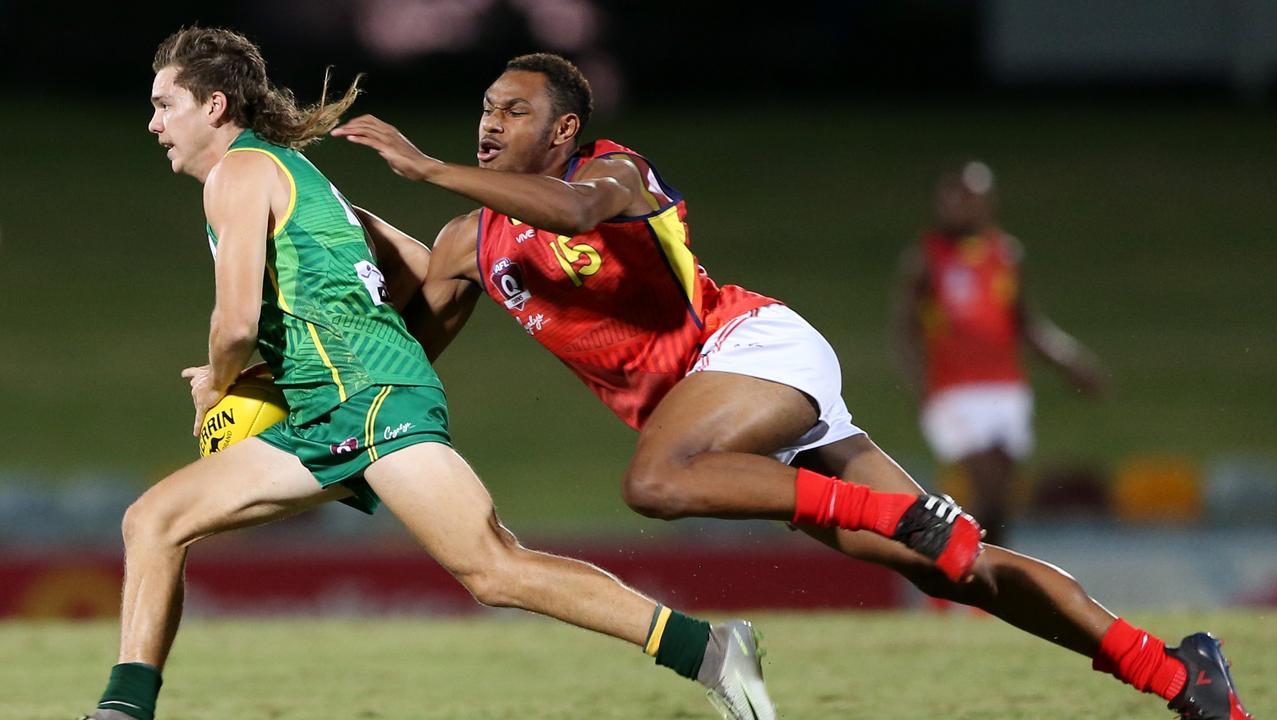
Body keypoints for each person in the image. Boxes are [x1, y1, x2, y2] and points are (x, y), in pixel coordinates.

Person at [333, 53, 1252, 720]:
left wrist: (421, 167)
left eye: (513, 110)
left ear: (563, 128)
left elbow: (575, 213)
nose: (490, 123)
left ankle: (896, 516)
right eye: (485, 108)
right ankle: (1179, 675)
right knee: (961, 568)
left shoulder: (612, 170)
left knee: (653, 483)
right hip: (726, 430)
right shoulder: (468, 245)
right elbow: (410, 350)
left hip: (755, 356)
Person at [81, 28, 775, 720]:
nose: (153, 123)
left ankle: (709, 650)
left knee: (492, 568)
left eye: (165, 104)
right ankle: (124, 711)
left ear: (215, 106)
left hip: (368, 399)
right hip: (334, 406)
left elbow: (232, 324)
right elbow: (420, 262)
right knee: (155, 520)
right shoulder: (294, 174)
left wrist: (220, 378)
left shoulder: (238, 174)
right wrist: (331, 333)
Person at [892, 161, 1108, 548]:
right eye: (953, 197)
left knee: (1001, 499)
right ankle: (961, 571)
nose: (960, 206)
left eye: (971, 198)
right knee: (984, 487)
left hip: (1006, 388)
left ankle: (988, 578)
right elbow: (906, 331)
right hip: (954, 389)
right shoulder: (926, 259)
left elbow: (1027, 324)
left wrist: (1070, 361)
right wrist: (921, 388)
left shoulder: (1006, 254)